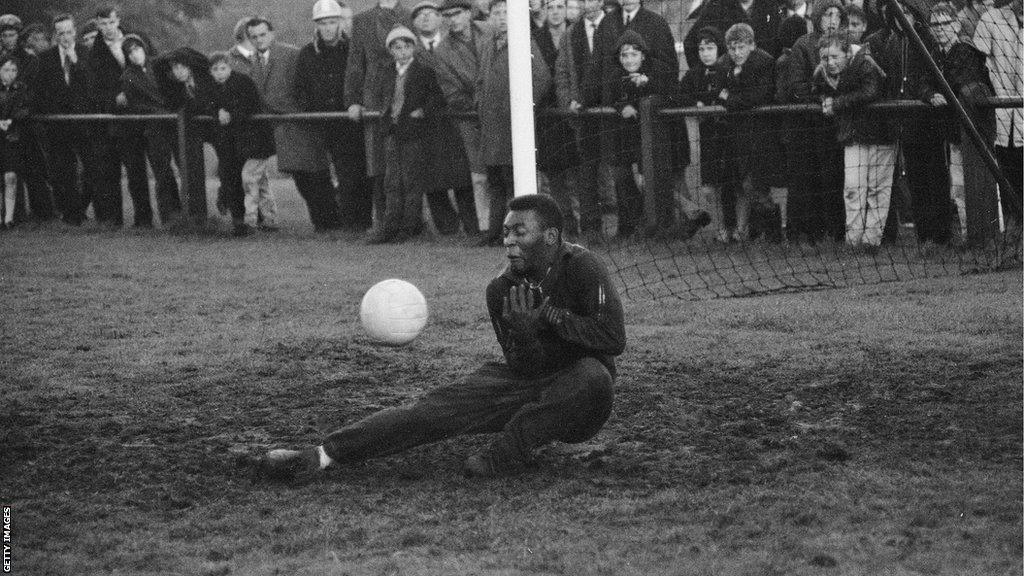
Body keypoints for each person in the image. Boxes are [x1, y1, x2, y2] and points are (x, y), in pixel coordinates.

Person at [256, 193, 625, 481]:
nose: (509, 241)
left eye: (519, 232)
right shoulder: (500, 289)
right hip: (530, 383)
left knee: (592, 376)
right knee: (431, 409)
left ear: (551, 236)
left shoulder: (583, 267)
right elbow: (523, 366)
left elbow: (613, 339)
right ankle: (322, 455)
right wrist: (526, 337)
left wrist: (550, 316)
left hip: (583, 399)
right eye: (506, 232)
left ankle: (504, 456)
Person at [247, 17, 343, 232]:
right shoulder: (253, 61)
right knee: (301, 178)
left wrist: (299, 109)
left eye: (262, 35)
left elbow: (306, 83)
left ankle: (331, 223)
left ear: (271, 33)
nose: (259, 40)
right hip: (281, 128)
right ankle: (324, 223)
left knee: (315, 176)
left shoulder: (292, 53)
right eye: (254, 37)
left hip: (301, 123)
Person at [477, 0, 552, 246]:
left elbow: (541, 78)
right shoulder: (488, 45)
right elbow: (481, 81)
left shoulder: (525, 42)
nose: (501, 17)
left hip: (513, 128)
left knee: (515, 183)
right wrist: (480, 103)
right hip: (491, 127)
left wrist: (521, 107)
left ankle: (517, 233)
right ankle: (494, 233)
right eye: (496, 13)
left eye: (506, 12)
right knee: (495, 182)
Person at [296, 0, 373, 232]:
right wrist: (312, 110)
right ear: (316, 25)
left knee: (354, 174)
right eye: (323, 23)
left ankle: (358, 223)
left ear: (340, 23)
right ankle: (332, 223)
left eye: (332, 22)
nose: (328, 28)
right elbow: (300, 88)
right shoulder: (307, 53)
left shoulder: (353, 49)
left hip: (350, 121)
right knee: (320, 176)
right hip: (320, 123)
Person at [364, 26, 445, 243]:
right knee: (391, 181)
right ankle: (390, 226)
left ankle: (409, 227)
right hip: (392, 131)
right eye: (397, 47)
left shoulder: (423, 71)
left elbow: (437, 98)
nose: (402, 51)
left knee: (411, 181)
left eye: (406, 46)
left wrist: (423, 111)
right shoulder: (388, 72)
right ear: (391, 50)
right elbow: (384, 98)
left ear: (413, 48)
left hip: (413, 132)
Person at [812, 31, 890, 248]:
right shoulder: (822, 73)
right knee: (853, 187)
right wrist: (823, 99)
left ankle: (872, 241)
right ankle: (853, 239)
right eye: (825, 58)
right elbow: (815, 89)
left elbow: (870, 92)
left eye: (835, 57)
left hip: (880, 132)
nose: (830, 62)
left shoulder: (866, 63)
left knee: (877, 188)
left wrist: (836, 104)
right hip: (852, 133)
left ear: (847, 53)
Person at [925, 2, 994, 239]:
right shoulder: (934, 54)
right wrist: (929, 94)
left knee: (979, 185)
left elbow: (963, 84)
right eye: (935, 25)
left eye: (945, 23)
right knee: (958, 188)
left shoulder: (965, 50)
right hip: (955, 132)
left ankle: (987, 235)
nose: (940, 29)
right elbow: (924, 82)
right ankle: (967, 236)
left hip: (975, 131)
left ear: (955, 24)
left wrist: (942, 92)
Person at [410, 0, 478, 237]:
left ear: (440, 19)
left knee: (463, 176)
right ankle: (447, 226)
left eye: (431, 13)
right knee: (432, 179)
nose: (426, 18)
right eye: (420, 15)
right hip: (425, 124)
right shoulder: (408, 48)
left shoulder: (453, 44)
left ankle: (473, 225)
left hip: (455, 118)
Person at [783, 0, 848, 243]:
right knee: (811, 179)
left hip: (841, 123)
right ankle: (811, 233)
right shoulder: (804, 44)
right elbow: (796, 86)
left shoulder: (847, 44)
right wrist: (822, 94)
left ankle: (839, 231)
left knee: (839, 178)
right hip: (810, 126)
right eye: (827, 14)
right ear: (817, 16)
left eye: (837, 14)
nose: (832, 20)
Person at [345, 0, 410, 232]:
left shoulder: (410, 16)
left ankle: (410, 220)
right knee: (377, 160)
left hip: (406, 91)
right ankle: (382, 219)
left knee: (407, 159)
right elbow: (355, 63)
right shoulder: (361, 20)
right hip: (373, 96)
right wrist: (352, 100)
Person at [554, 0, 614, 239]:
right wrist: (568, 100)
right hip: (583, 115)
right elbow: (562, 72)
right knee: (586, 172)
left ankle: (628, 226)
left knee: (619, 169)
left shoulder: (614, 26)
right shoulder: (571, 34)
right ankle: (591, 229)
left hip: (613, 111)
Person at [88, 6, 152, 228]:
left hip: (140, 114)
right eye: (103, 24)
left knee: (137, 170)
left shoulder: (136, 41)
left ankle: (144, 220)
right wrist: (114, 98)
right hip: (112, 118)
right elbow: (94, 87)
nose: (108, 28)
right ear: (97, 25)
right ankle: (114, 220)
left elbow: (150, 68)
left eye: (111, 22)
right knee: (110, 171)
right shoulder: (93, 51)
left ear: (118, 21)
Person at [434, 0, 493, 237]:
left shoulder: (490, 30)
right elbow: (451, 91)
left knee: (510, 169)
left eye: (457, 13)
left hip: (500, 113)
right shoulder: (443, 51)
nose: (452, 19)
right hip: (470, 117)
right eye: (447, 15)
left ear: (468, 13)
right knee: (480, 175)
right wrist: (479, 105)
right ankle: (487, 226)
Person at [717, 23, 779, 242]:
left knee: (754, 184)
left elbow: (759, 96)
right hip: (734, 134)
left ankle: (773, 229)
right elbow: (717, 91)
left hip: (760, 134)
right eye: (732, 48)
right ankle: (753, 230)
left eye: (741, 47)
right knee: (736, 183)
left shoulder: (765, 62)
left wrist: (730, 99)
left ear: (752, 45)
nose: (737, 53)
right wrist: (732, 98)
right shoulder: (723, 64)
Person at [34, 14, 95, 226]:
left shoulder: (87, 53)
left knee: (92, 168)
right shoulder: (45, 58)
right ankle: (73, 215)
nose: (66, 37)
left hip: (84, 123)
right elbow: (41, 93)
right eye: (61, 33)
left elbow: (90, 87)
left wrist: (76, 61)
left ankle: (88, 210)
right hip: (59, 124)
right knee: (64, 170)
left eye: (69, 32)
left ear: (75, 32)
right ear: (55, 35)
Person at [119, 35, 183, 227]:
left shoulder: (160, 66)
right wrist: (162, 111)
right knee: (163, 172)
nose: (135, 54)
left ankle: (189, 213)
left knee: (185, 167)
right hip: (154, 128)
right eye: (129, 52)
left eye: (137, 49)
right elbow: (137, 105)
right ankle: (169, 216)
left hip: (174, 123)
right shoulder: (127, 77)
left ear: (144, 48)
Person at [534, 0, 581, 238]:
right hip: (547, 116)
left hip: (573, 110)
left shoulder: (577, 33)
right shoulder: (534, 37)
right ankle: (566, 223)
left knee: (579, 169)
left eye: (559, 7)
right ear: (544, 10)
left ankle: (588, 220)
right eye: (550, 7)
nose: (555, 12)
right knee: (555, 174)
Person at [973, 0, 1023, 227]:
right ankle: (1012, 231)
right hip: (1002, 120)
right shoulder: (991, 19)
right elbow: (977, 63)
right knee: (1007, 176)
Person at [226, 16, 276, 230]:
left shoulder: (260, 61)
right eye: (251, 37)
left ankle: (251, 219)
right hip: (248, 130)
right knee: (259, 178)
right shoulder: (234, 62)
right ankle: (269, 218)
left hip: (257, 130)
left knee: (250, 176)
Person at [680, 26, 729, 241]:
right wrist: (695, 103)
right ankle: (719, 228)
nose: (706, 53)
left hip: (729, 133)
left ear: (719, 48)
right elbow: (679, 95)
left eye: (710, 48)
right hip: (707, 136)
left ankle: (732, 229)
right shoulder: (695, 74)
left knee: (730, 184)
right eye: (701, 49)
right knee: (709, 188)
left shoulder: (727, 69)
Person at [0, 55, 27, 229]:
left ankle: (9, 217)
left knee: (10, 176)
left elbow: (25, 108)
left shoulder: (21, 88)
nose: (10, 74)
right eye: (6, 69)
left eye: (14, 70)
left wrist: (11, 120)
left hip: (12, 136)